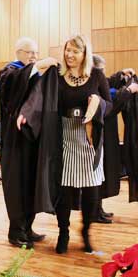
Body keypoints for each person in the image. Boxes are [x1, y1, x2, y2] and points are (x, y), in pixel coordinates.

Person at [18, 35, 113, 254]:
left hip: (89, 140)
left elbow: (109, 106)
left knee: (91, 193)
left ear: (84, 54)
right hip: (65, 138)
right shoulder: (58, 76)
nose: (70, 55)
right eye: (67, 50)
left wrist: (97, 103)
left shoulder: (97, 75)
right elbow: (38, 97)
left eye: (75, 52)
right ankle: (64, 232)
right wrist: (27, 114)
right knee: (65, 191)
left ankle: (86, 232)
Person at [0, 37, 57, 248]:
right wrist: (36, 67)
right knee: (17, 187)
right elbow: (11, 90)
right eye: (30, 53)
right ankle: (15, 232)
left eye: (36, 53)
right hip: (14, 141)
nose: (34, 57)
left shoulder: (35, 73)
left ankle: (28, 228)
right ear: (18, 52)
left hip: (32, 140)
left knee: (31, 184)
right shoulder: (8, 73)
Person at [92, 55, 138, 224]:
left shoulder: (98, 80)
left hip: (107, 134)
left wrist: (120, 74)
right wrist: (128, 91)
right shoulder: (91, 85)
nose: (104, 75)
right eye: (102, 71)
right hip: (97, 136)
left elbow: (107, 83)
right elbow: (110, 105)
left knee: (102, 173)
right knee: (96, 174)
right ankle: (93, 211)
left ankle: (98, 208)